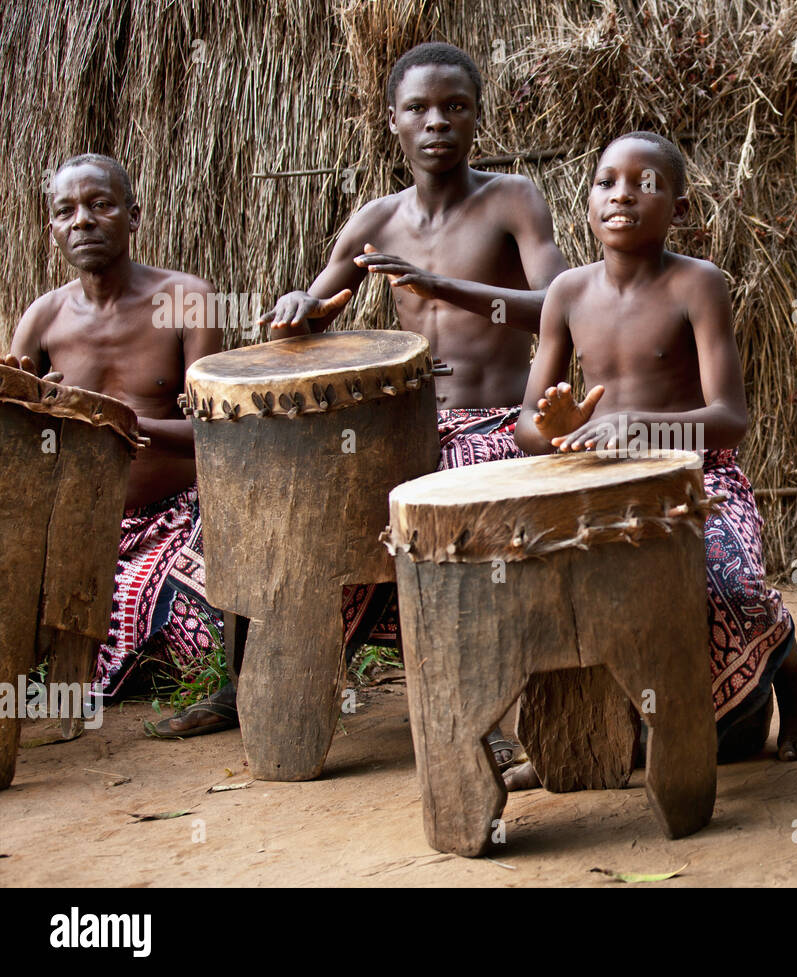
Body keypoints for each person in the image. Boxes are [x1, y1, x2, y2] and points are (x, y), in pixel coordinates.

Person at [255, 41, 569, 764]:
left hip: (498, 425)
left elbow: (562, 304)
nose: (437, 123)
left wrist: (444, 285)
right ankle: (284, 695)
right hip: (414, 430)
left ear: (476, 119)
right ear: (392, 121)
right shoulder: (374, 221)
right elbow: (319, 297)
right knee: (322, 522)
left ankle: (488, 708)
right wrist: (299, 306)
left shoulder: (513, 199)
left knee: (462, 515)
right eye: (419, 109)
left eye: (455, 107)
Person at [508, 131, 797, 790]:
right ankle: (580, 735)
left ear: (678, 209)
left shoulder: (697, 284)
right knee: (539, 592)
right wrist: (560, 428)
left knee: (726, 580)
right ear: (588, 201)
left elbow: (730, 419)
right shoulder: (566, 294)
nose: (623, 193)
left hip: (698, 480)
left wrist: (637, 427)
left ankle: (791, 672)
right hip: (595, 486)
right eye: (606, 181)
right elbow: (526, 427)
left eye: (644, 182)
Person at [5, 154, 232, 730]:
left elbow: (219, 433)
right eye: (66, 211)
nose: (82, 221)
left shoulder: (185, 297)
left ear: (133, 216)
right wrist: (22, 405)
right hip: (76, 526)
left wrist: (120, 424)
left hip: (177, 518)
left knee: (204, 615)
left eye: (100, 205)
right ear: (53, 228)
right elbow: (21, 444)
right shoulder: (43, 318)